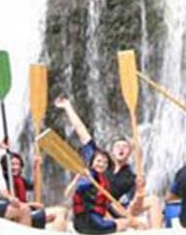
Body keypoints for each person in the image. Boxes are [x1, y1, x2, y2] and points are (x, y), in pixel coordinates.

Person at [54, 96, 163, 228]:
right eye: (118, 146)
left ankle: (157, 234)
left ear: (129, 153)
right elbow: (82, 132)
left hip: (116, 209)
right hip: (97, 206)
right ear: (111, 151)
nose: (121, 149)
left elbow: (131, 206)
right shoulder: (100, 162)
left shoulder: (131, 177)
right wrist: (67, 107)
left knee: (153, 200)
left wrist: (140, 193)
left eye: (125, 147)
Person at [68, 148, 143, 235]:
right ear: (92, 163)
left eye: (105, 162)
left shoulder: (103, 181)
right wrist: (77, 179)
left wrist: (124, 216)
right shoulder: (87, 178)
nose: (102, 164)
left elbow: (107, 205)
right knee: (125, 224)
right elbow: (69, 193)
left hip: (95, 221)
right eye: (99, 161)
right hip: (87, 222)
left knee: (126, 222)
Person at [0, 151, 68, 231]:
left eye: (17, 164)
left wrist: (36, 166)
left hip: (29, 213)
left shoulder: (20, 180)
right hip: (17, 216)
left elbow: (36, 186)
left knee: (61, 211)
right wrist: (31, 204)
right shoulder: (2, 182)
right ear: (5, 166)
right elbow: (7, 203)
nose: (16, 167)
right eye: (12, 164)